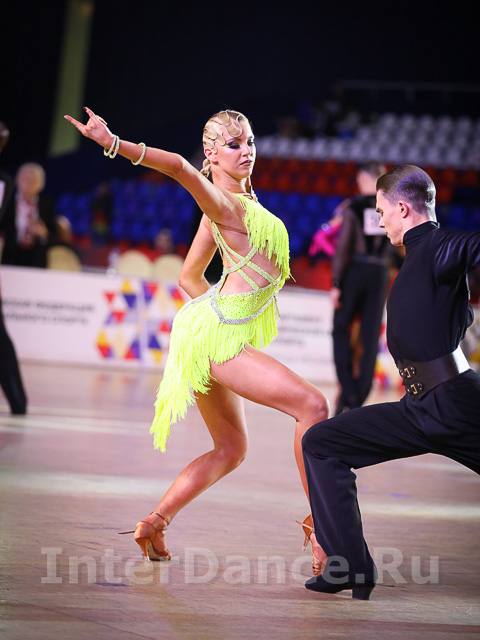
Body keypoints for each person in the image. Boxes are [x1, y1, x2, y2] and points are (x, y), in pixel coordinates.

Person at [65, 107, 329, 567]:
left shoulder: (226, 210)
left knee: (231, 449)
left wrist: (214, 316)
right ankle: (324, 528)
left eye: (250, 141)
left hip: (207, 332)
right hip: (217, 337)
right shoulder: (222, 204)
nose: (246, 151)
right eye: (234, 144)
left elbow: (189, 277)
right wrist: (113, 144)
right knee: (313, 407)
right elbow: (177, 167)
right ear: (211, 153)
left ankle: (154, 523)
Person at [302, 164, 480, 600]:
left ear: (403, 208)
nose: (379, 222)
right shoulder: (416, 257)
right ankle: (348, 567)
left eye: (382, 212)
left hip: (455, 404)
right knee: (322, 444)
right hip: (418, 409)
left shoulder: (436, 245)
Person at [329, 160, 393, 414]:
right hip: (380, 273)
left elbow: (343, 248)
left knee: (340, 328)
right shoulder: (389, 209)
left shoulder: (353, 208)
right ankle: (359, 396)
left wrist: (336, 283)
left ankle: (348, 388)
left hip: (355, 271)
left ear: (365, 179)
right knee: (370, 335)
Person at [0, 122, 27, 414]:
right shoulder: (5, 182)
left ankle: (19, 402)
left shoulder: (5, 183)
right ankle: (18, 402)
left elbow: (6, 233)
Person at [1, 162, 57, 268]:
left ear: (41, 184)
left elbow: (54, 235)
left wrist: (44, 233)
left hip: (36, 260)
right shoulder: (8, 201)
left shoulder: (46, 204)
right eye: (25, 179)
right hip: (11, 257)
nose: (28, 184)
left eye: (33, 181)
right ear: (17, 180)